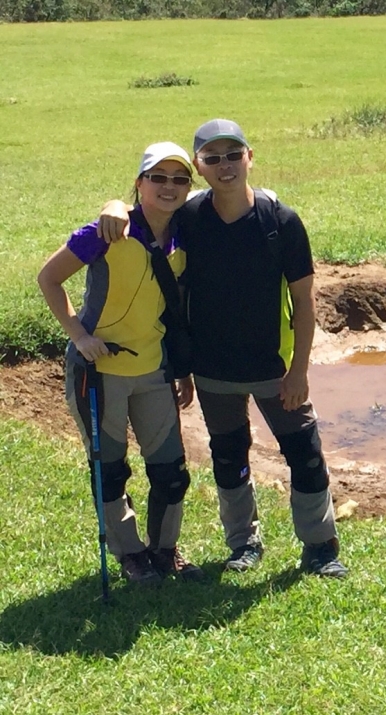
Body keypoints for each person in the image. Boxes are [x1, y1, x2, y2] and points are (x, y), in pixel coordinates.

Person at [99, 119, 347, 579]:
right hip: (213, 371)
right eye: (212, 158)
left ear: (250, 157)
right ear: (199, 166)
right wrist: (114, 203)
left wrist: (300, 371)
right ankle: (243, 542)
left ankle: (320, 546)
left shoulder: (281, 222)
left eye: (233, 154)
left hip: (275, 368)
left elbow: (304, 302)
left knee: (305, 452)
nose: (225, 165)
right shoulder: (189, 219)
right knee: (229, 455)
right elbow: (143, 212)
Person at [38, 142, 202, 584]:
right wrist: (79, 336)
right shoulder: (107, 230)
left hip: (154, 370)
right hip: (99, 372)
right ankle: (130, 554)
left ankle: (165, 551)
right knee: (109, 471)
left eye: (179, 179)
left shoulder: (184, 234)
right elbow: (49, 278)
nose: (169, 187)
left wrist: (181, 369)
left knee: (170, 470)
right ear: (139, 183)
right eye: (158, 178)